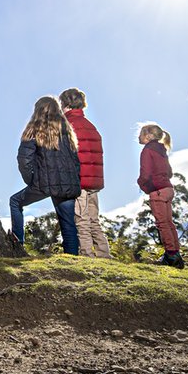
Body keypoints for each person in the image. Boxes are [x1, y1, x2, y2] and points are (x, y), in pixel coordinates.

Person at [9, 96, 82, 254]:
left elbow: (24, 160)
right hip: (67, 184)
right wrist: (74, 180)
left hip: (43, 184)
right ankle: (73, 260)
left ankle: (18, 245)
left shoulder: (34, 129)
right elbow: (76, 161)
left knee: (15, 202)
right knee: (68, 224)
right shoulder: (67, 131)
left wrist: (32, 181)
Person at [59, 88, 109, 258]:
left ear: (64, 104)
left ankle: (87, 255)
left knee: (81, 220)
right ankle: (104, 254)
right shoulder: (91, 126)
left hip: (79, 181)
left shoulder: (67, 126)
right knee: (94, 219)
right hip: (94, 182)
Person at [137, 123, 183, 268]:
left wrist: (143, 185)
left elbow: (145, 173)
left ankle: (171, 255)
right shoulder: (162, 150)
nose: (139, 136)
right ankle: (175, 253)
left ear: (149, 136)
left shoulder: (147, 150)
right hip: (168, 188)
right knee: (169, 223)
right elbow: (169, 172)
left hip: (157, 191)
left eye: (141, 134)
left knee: (162, 224)